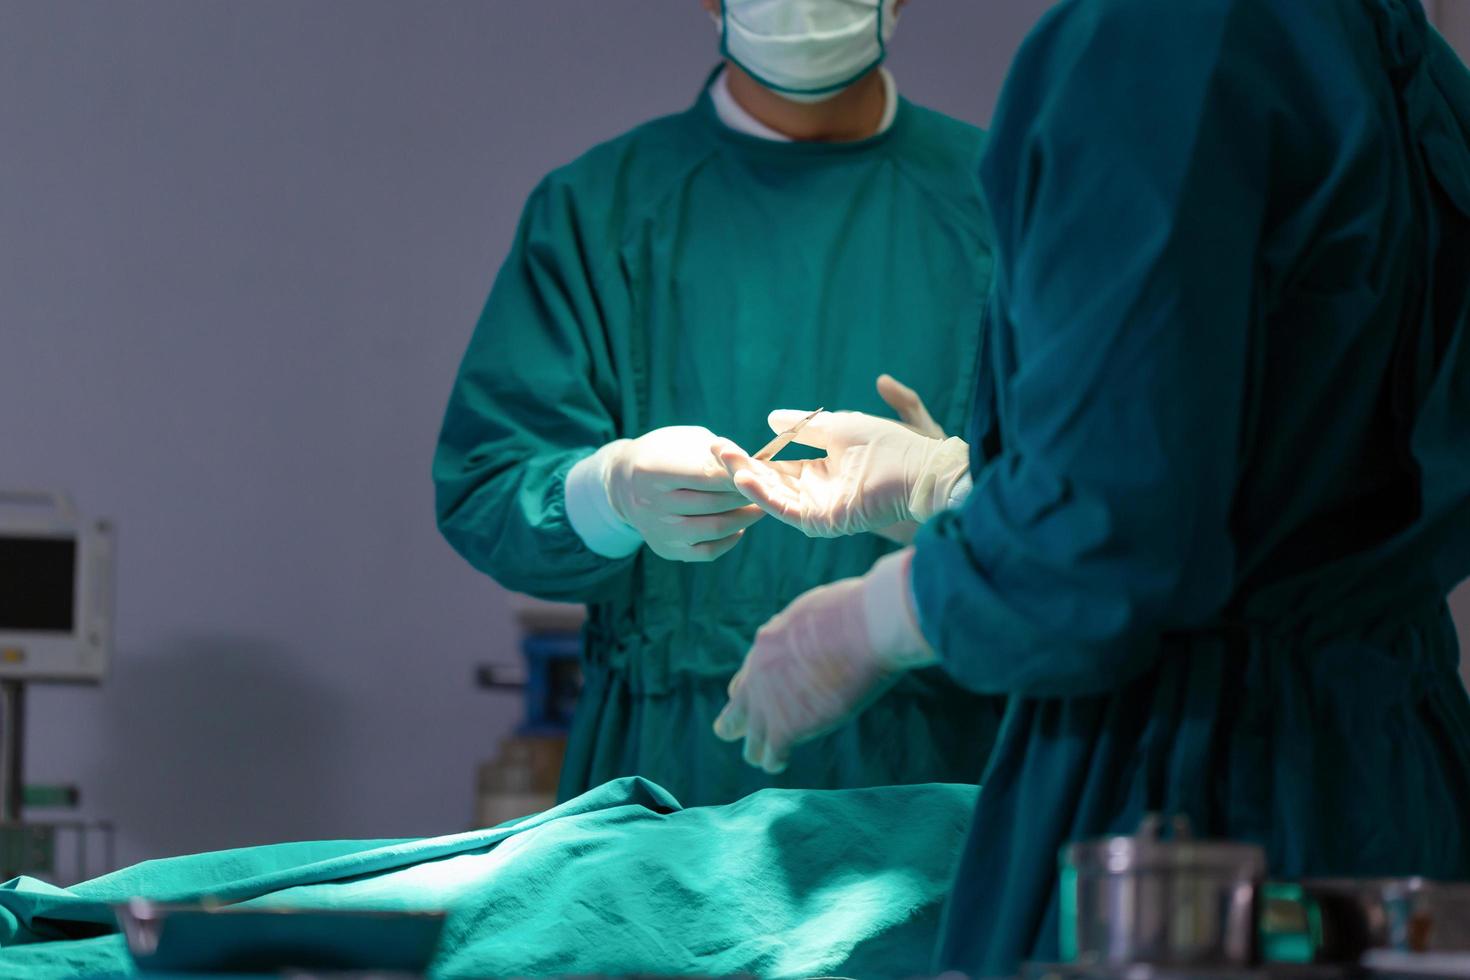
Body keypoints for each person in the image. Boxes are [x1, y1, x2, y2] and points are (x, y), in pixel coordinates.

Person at [713, 0, 1470, 973]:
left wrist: (868, 618)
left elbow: (1111, 550)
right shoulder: (1370, 35)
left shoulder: (1156, 39)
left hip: (1196, 815)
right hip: (1393, 783)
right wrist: (958, 483)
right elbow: (1277, 451)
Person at [434, 0, 1003, 807]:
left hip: (945, 779)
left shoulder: (1005, 202)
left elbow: (1100, 507)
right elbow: (487, 486)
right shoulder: (601, 210)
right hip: (669, 777)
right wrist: (610, 492)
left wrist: (954, 498)